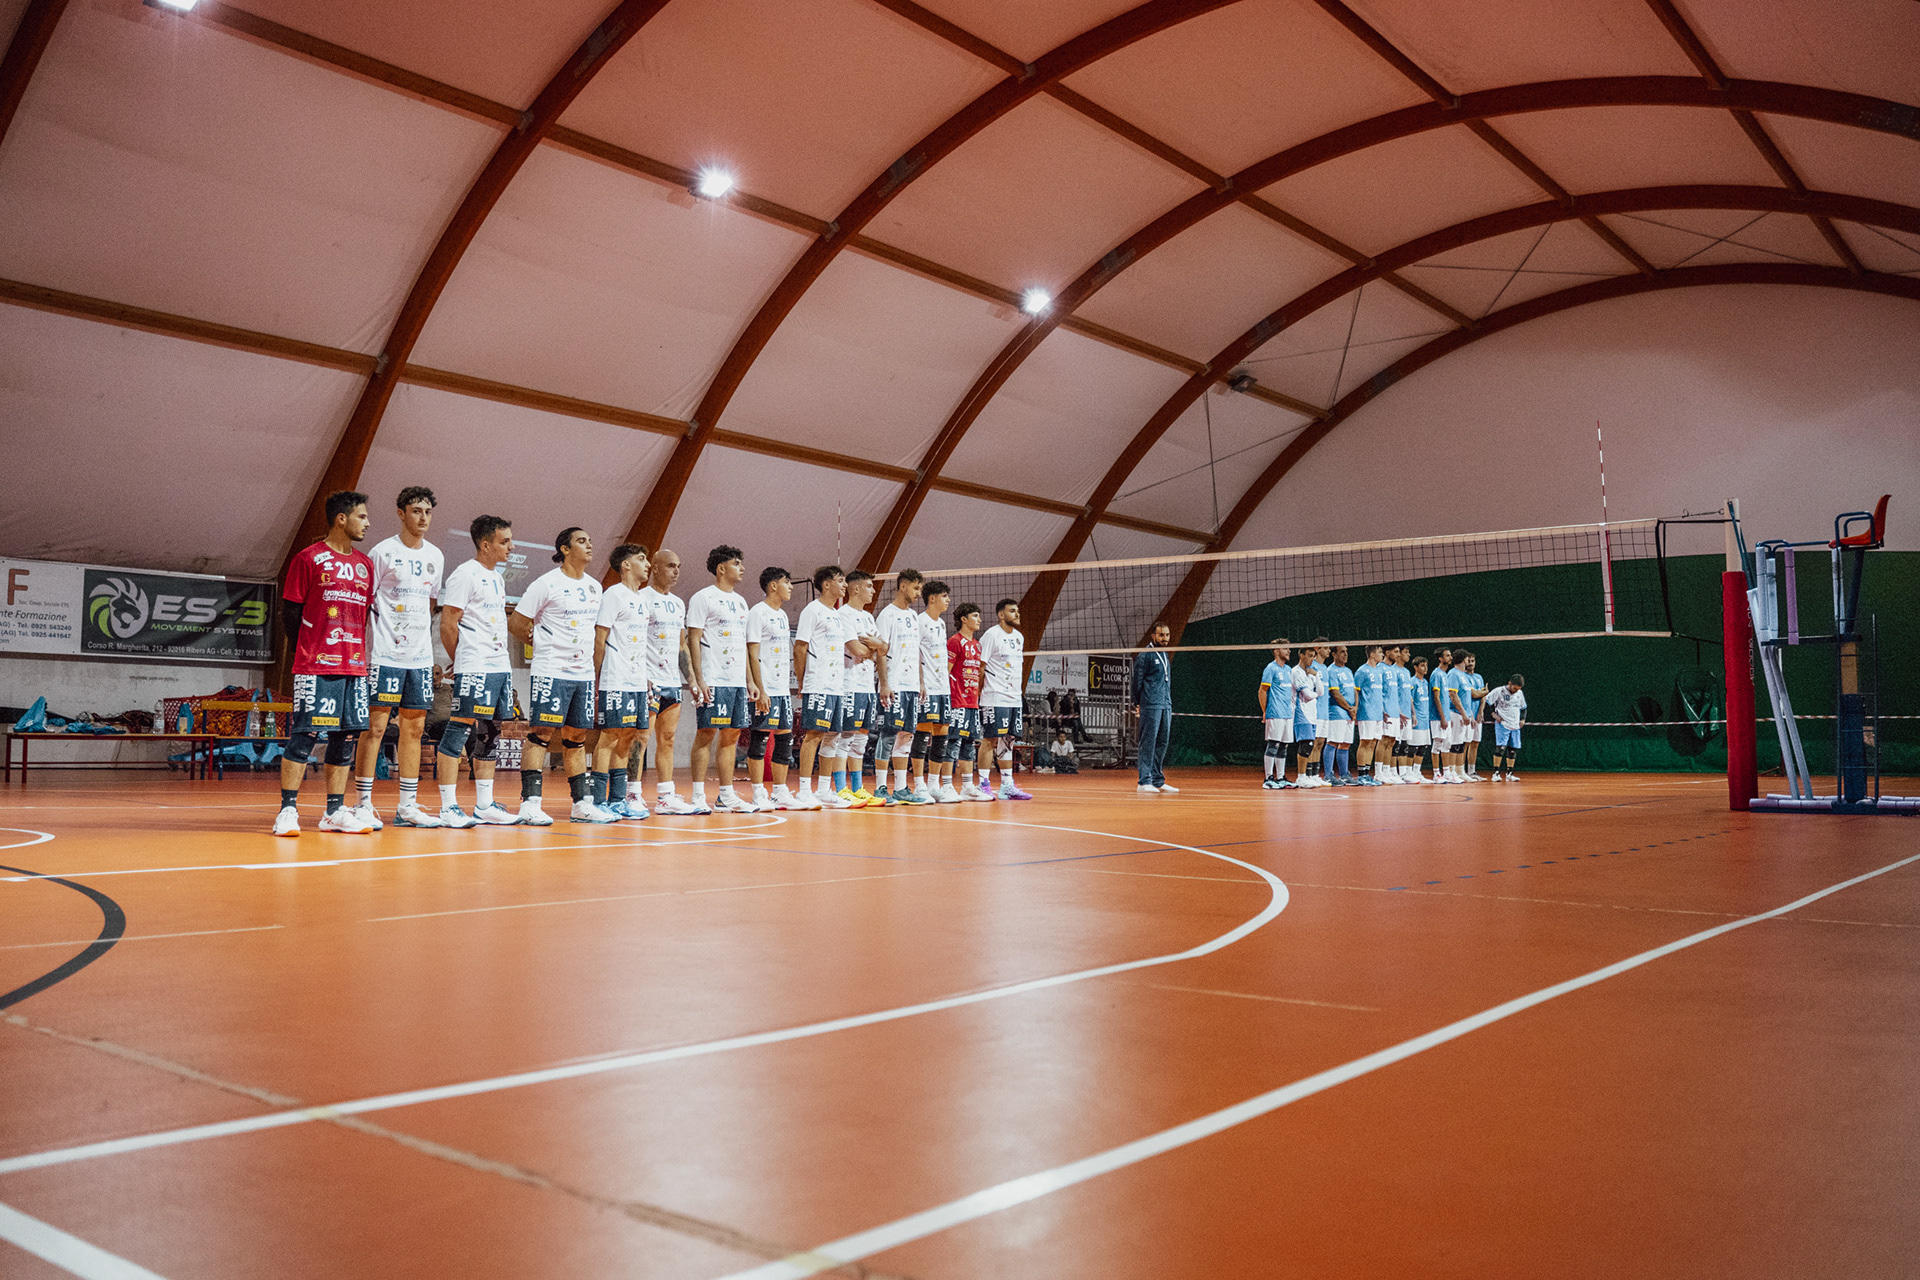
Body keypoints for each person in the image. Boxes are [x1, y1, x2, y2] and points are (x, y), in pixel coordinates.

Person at [273, 490, 375, 836]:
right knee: (305, 736)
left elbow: (362, 616)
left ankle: (334, 812)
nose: (367, 523)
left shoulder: (365, 565)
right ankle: (288, 810)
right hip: (316, 665)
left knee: (345, 738)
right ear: (341, 519)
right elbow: (291, 613)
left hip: (355, 667)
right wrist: (308, 648)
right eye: (362, 516)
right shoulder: (308, 558)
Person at [353, 486, 445, 829]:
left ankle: (407, 806)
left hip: (418, 658)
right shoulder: (382, 552)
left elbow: (430, 604)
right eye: (416, 510)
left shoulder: (435, 555)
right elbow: (366, 601)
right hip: (384, 654)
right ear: (401, 513)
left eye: (427, 512)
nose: (423, 517)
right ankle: (363, 803)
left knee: (415, 729)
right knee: (375, 727)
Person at [509, 527, 615, 824]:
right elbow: (516, 623)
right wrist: (540, 644)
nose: (589, 545)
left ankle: (581, 804)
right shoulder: (546, 583)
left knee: (577, 737)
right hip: (551, 671)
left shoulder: (595, 587)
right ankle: (530, 803)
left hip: (583, 674)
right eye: (582, 541)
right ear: (565, 549)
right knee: (541, 733)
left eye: (590, 540)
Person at [432, 515, 522, 828]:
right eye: (504, 541)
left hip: (499, 666)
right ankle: (448, 807)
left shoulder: (497, 578)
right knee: (458, 730)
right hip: (475, 667)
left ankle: (484, 805)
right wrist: (463, 660)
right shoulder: (464, 574)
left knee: (490, 732)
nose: (511, 547)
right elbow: (448, 624)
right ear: (485, 545)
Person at [687, 544, 757, 814]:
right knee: (706, 733)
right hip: (713, 678)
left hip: (737, 681)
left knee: (732, 735)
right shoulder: (703, 598)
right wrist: (698, 678)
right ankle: (697, 796)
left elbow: (742, 645)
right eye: (736, 563)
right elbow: (693, 639)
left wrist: (750, 680)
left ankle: (726, 795)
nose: (742, 568)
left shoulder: (741, 602)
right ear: (721, 568)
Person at [590, 542, 651, 820]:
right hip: (615, 679)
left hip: (637, 681)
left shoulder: (642, 599)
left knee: (628, 737)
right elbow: (599, 638)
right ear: (626, 565)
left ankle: (617, 799)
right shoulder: (613, 595)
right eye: (642, 559)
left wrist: (645, 676)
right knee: (610, 737)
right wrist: (595, 678)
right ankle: (597, 800)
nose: (647, 564)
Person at [637, 550, 698, 815]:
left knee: (668, 739)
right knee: (641, 738)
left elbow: (682, 645)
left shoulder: (678, 603)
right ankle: (632, 794)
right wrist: (640, 674)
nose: (676, 571)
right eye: (671, 566)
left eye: (679, 566)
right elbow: (632, 639)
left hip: (672, 682)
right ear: (655, 568)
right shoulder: (641, 598)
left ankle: (665, 797)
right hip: (648, 682)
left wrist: (691, 679)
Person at [793, 565, 851, 809]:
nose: (845, 585)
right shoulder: (812, 611)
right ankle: (804, 791)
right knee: (814, 734)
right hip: (818, 683)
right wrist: (802, 681)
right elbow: (800, 648)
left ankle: (824, 790)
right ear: (827, 584)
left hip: (836, 686)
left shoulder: (836, 614)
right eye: (840, 581)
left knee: (833, 736)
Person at [745, 566, 795, 811]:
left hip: (782, 689)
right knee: (760, 737)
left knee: (785, 737)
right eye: (787, 582)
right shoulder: (758, 612)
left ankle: (780, 791)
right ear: (774, 585)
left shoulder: (782, 615)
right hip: (766, 689)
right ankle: (758, 792)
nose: (791, 587)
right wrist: (760, 689)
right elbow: (752, 653)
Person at [874, 569, 927, 805]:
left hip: (911, 686)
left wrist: (921, 682)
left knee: (906, 735)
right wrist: (885, 684)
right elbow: (880, 652)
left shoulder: (914, 616)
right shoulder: (887, 615)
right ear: (903, 586)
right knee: (888, 735)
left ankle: (901, 788)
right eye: (916, 588)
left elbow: (916, 651)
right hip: (894, 684)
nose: (918, 593)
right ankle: (880, 787)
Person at [837, 571, 885, 806]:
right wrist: (874, 648)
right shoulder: (843, 614)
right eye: (869, 586)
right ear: (855, 589)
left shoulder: (868, 618)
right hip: (849, 684)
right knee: (844, 737)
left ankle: (858, 789)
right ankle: (840, 789)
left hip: (867, 686)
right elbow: (857, 650)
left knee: (860, 740)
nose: (873, 590)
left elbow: (883, 648)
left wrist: (876, 647)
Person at [979, 597, 1033, 801]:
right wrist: (979, 693)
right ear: (1001, 615)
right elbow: (980, 667)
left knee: (1008, 740)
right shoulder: (991, 635)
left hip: (1014, 699)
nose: (1017, 614)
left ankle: (1007, 786)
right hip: (994, 697)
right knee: (990, 740)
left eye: (1017, 611)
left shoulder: (1019, 637)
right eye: (1012, 611)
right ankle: (983, 785)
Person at [913, 580, 956, 803]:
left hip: (942, 687)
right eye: (944, 596)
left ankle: (933, 785)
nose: (948, 600)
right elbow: (914, 654)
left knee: (942, 734)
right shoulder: (920, 621)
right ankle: (919, 785)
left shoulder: (941, 623)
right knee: (923, 733)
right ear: (932, 598)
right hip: (927, 687)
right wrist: (920, 682)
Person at [946, 603, 985, 800]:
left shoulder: (977, 645)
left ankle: (967, 786)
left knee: (969, 743)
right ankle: (946, 785)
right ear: (964, 619)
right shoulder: (954, 641)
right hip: (957, 701)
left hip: (972, 703)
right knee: (952, 742)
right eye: (975, 616)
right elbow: (946, 671)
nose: (979, 620)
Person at [1131, 621, 1175, 794]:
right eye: (1161, 635)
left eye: (1167, 635)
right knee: (1148, 742)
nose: (1165, 638)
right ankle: (1144, 781)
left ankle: (1157, 780)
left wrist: (1167, 702)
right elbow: (1137, 681)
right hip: (1150, 704)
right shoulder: (1145, 655)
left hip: (1165, 704)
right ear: (1153, 636)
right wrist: (1137, 703)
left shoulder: (1165, 654)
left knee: (1162, 742)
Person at [1257, 639, 1294, 790]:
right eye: (1285, 648)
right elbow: (1262, 691)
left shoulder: (1288, 670)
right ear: (1276, 651)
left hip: (1287, 713)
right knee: (1273, 744)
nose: (1289, 651)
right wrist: (1265, 711)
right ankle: (1268, 778)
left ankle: (1280, 777)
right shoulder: (1270, 668)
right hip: (1275, 712)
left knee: (1284, 745)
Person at [1352, 643, 1386, 786]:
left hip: (1377, 713)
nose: (1382, 654)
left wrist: (1383, 710)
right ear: (1372, 654)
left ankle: (1367, 773)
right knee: (1365, 742)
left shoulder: (1378, 671)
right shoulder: (1362, 671)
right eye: (1380, 652)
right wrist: (1356, 709)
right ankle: (1361, 775)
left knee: (1373, 743)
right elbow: (1356, 691)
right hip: (1366, 712)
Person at [1290, 647, 1325, 786]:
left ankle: (1308, 777)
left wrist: (1316, 676)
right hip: (1301, 713)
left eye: (1313, 656)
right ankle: (1301, 777)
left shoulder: (1311, 673)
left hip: (1312, 713)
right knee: (1306, 745)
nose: (1312, 659)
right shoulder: (1295, 672)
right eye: (1310, 656)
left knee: (1310, 745)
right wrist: (1315, 694)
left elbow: (1321, 692)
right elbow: (1308, 695)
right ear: (1301, 655)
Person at [1325, 644, 1358, 784]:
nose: (1345, 654)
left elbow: (1354, 691)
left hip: (1349, 713)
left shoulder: (1348, 671)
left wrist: (1355, 707)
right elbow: (1335, 693)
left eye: (1346, 652)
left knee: (1345, 744)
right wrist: (1349, 708)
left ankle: (1344, 774)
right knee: (1333, 742)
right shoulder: (1331, 670)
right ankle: (1328, 775)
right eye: (1342, 652)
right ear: (1334, 654)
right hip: (1337, 711)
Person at [1484, 674, 1526, 780]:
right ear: (1509, 683)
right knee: (1500, 748)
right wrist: (1493, 714)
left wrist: (1522, 719)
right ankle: (1496, 773)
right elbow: (1487, 701)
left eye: (1518, 689)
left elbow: (1524, 708)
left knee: (1513, 750)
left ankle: (1509, 774)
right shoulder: (1499, 691)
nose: (1516, 691)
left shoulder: (1519, 693)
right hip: (1503, 723)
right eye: (1514, 688)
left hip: (1515, 725)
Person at [1407, 654, 1436, 784]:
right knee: (1412, 747)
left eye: (1426, 665)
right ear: (1416, 667)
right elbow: (1410, 699)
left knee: (1423, 747)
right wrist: (1414, 714)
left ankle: (1417, 772)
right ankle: (1408, 772)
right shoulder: (1412, 681)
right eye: (1422, 666)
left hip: (1425, 720)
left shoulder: (1425, 682)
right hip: (1417, 719)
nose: (1425, 668)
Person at [1461, 651, 1488, 780]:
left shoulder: (1479, 677)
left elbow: (1483, 696)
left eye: (1473, 661)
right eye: (1469, 661)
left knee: (1475, 743)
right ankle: (1461, 771)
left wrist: (1481, 711)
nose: (1471, 663)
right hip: (1468, 715)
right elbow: (1472, 695)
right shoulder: (1463, 677)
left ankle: (1472, 771)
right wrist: (1471, 714)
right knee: (1465, 743)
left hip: (1478, 715)